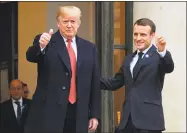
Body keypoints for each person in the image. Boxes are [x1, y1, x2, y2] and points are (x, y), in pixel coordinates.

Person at [24, 6, 100, 133]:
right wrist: (41, 45)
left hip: (78, 112)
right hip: (49, 112)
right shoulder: (46, 41)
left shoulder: (89, 48)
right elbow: (30, 56)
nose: (69, 25)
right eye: (65, 21)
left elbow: (94, 82)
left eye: (73, 21)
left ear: (79, 23)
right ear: (58, 23)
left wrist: (94, 114)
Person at [100, 18, 174, 133]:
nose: (138, 38)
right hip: (127, 122)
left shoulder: (159, 56)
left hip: (149, 123)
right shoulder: (129, 58)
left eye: (143, 35)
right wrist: (88, 79)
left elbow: (169, 67)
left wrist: (163, 50)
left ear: (152, 35)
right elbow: (115, 82)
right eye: (136, 34)